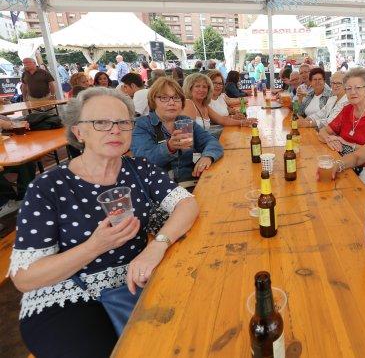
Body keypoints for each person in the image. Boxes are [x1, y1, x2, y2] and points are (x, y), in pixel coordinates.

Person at [9, 87, 199, 357]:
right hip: (65, 296)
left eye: (123, 122)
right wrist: (94, 246)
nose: (115, 130)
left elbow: (187, 203)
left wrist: (156, 246)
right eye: (100, 122)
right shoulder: (48, 186)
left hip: (134, 281)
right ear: (79, 132)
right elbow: (25, 278)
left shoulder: (139, 169)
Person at [132, 77, 223, 183]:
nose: (171, 103)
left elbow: (211, 141)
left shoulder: (185, 121)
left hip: (190, 181)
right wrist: (169, 147)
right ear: (153, 101)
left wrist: (208, 156)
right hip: (161, 188)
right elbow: (143, 162)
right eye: (164, 98)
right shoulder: (142, 125)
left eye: (176, 98)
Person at [318, 67, 365, 185]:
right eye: (348, 88)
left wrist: (346, 144)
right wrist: (330, 140)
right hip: (344, 162)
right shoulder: (347, 110)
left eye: (358, 88)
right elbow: (323, 131)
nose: (353, 92)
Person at [183, 72, 256, 136]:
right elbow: (187, 137)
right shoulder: (188, 103)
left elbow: (222, 120)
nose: (201, 90)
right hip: (201, 147)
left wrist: (243, 122)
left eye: (204, 87)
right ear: (189, 88)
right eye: (197, 86)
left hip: (208, 141)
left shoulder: (204, 105)